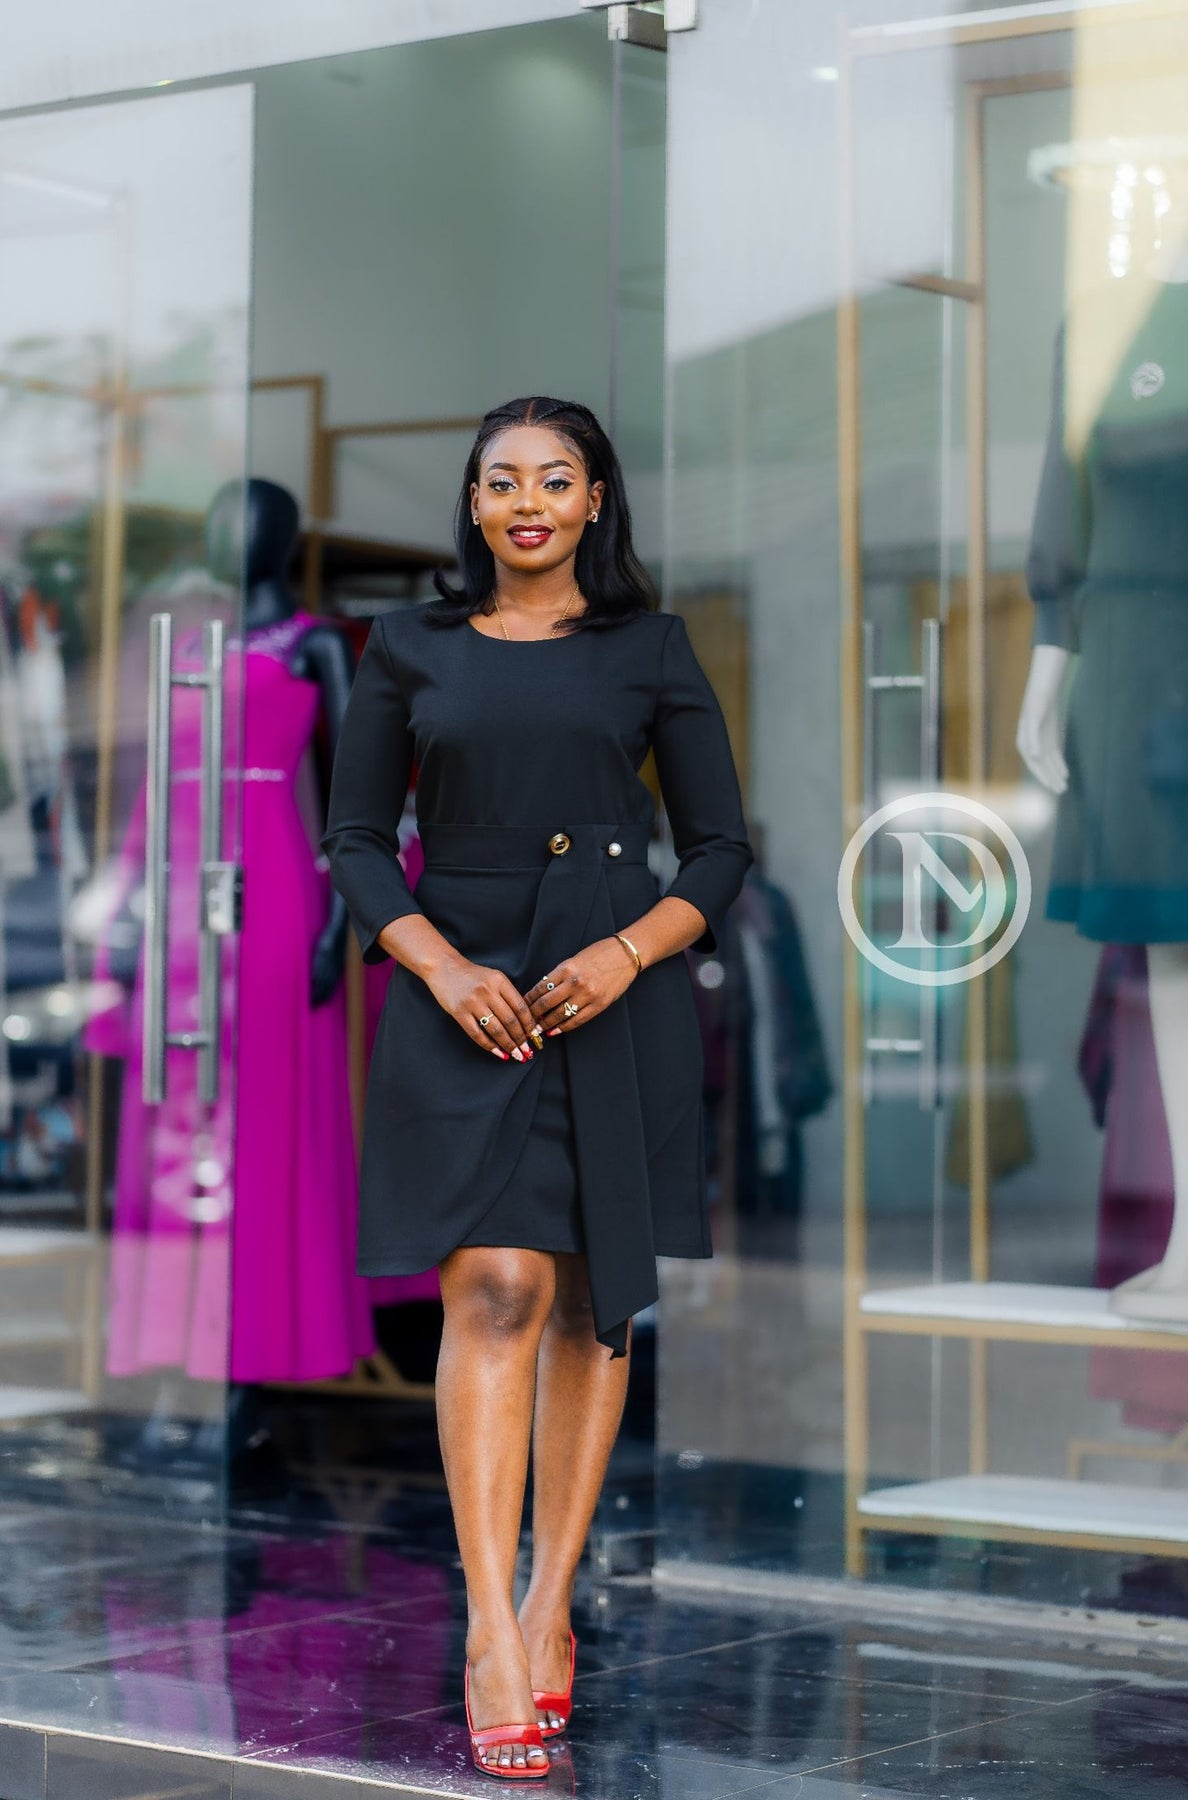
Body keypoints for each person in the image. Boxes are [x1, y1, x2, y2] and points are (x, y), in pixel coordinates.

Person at [321, 395, 753, 1779]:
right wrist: (435, 967)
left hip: (610, 992)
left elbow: (722, 852)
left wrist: (630, 955)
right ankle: (485, 1631)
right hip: (465, 989)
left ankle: (550, 1600)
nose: (524, 502)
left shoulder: (651, 647)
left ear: (591, 501)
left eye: (552, 481)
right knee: (492, 1284)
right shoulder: (407, 648)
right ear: (473, 504)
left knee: (588, 1298)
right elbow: (353, 842)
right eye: (498, 481)